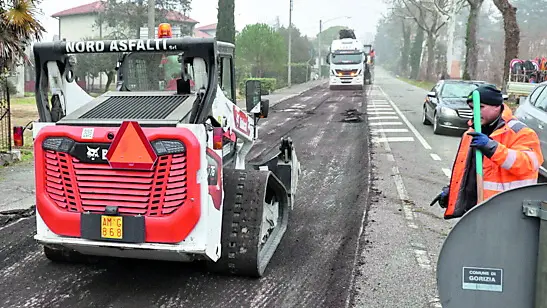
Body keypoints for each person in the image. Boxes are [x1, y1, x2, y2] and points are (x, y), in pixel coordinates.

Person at [430, 85, 544, 219]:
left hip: (509, 212)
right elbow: (468, 170)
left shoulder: (520, 132)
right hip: (478, 210)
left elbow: (529, 164)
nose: (475, 112)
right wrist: (453, 191)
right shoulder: (472, 133)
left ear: (496, 106)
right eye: (473, 108)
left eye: (481, 107)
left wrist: (493, 148)